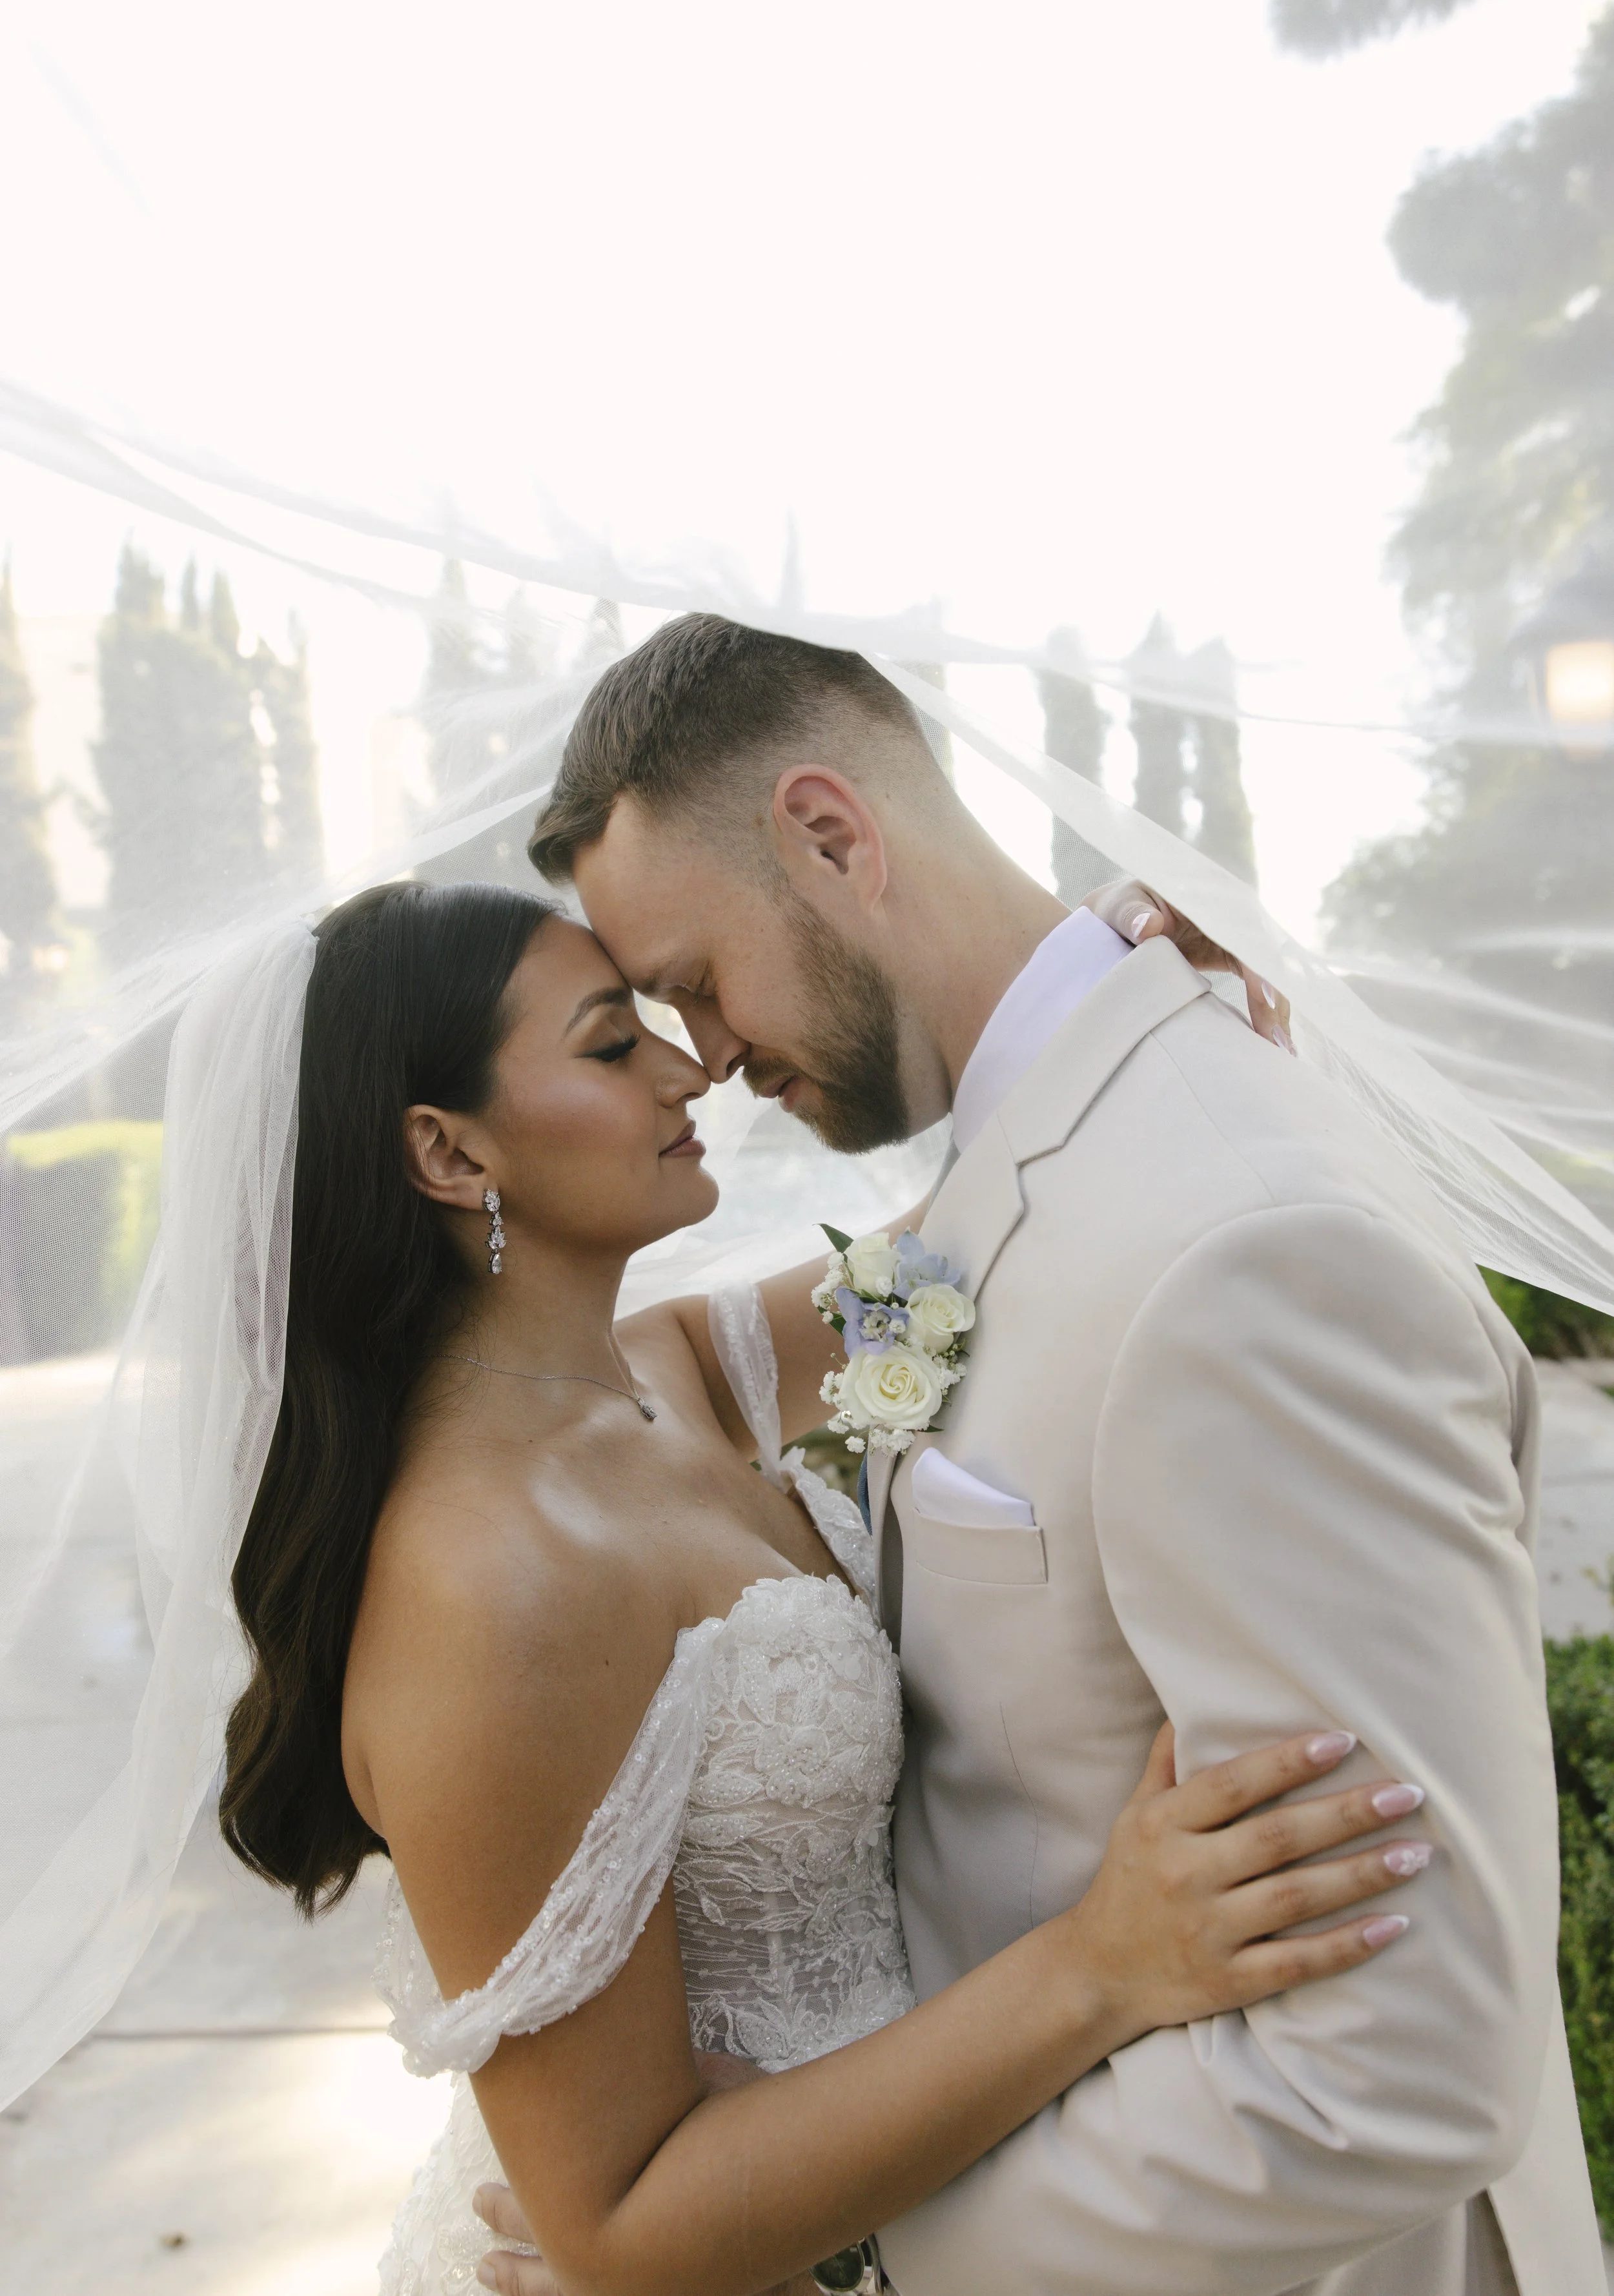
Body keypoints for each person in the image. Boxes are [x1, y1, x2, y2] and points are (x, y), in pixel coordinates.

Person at [473, 615, 1602, 2296]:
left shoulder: (1235, 1250)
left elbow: (1399, 2070)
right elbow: (718, 1360)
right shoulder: (1053, 1137)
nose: (705, 1062)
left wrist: (856, 2246)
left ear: (831, 835)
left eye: (695, 985)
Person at [217, 876, 1418, 2296]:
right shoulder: (488, 1582)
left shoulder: (682, 1370)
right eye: (612, 1045)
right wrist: (1102, 1961)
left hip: (930, 2218)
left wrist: (1117, 1004)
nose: (688, 1068)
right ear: (448, 1150)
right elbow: (611, 2226)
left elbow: (982, 1237)